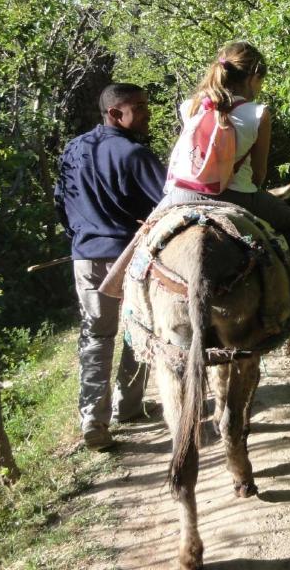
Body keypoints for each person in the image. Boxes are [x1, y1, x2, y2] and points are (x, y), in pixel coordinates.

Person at [162, 41, 290, 314]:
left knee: (144, 234)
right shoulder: (258, 114)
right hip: (237, 196)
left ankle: (123, 294)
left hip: (180, 194)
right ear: (254, 77)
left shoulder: (191, 106)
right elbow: (258, 175)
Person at [55, 83, 164, 450]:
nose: (148, 112)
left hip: (86, 257)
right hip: (132, 257)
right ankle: (129, 406)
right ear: (116, 113)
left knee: (95, 336)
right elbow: (169, 205)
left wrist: (82, 233)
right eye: (140, 107)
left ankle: (93, 420)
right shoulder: (135, 155)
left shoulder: (73, 150)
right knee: (139, 331)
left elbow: (62, 203)